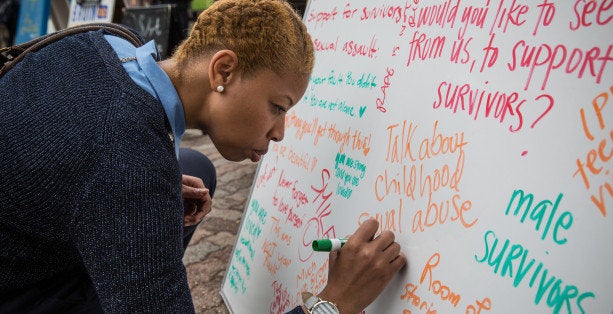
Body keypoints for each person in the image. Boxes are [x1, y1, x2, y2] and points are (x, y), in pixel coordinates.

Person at [0, 0, 406, 313]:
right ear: (223, 71)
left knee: (194, 167)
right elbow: (117, 162)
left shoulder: (114, 40)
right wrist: (333, 302)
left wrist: (123, 197)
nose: (280, 133)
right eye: (278, 107)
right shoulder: (127, 161)